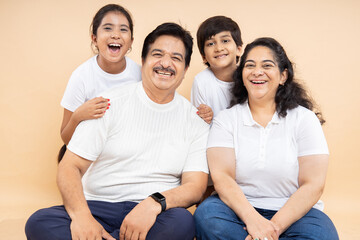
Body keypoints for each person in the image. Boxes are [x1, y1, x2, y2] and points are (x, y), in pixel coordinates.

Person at [25, 23, 209, 240]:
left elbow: (195, 187)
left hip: (155, 215)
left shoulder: (195, 121)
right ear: (143, 61)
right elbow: (69, 167)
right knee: (39, 222)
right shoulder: (108, 103)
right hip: (97, 208)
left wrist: (154, 202)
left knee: (182, 222)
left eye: (176, 58)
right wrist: (83, 218)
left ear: (185, 69)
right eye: (157, 54)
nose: (166, 63)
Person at [194, 37, 339, 240]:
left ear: (283, 76)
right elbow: (222, 178)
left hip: (295, 212)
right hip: (236, 209)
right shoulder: (226, 119)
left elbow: (313, 185)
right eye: (250, 65)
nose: (257, 71)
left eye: (267, 65)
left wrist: (272, 229)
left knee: (321, 235)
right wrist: (253, 221)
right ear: (242, 75)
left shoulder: (304, 119)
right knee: (207, 217)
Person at [58, 4, 141, 162]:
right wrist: (77, 117)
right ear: (94, 38)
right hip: (92, 154)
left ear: (131, 41)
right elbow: (66, 138)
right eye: (108, 28)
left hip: (126, 156)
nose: (116, 35)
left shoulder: (140, 74)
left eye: (123, 29)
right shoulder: (81, 76)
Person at [191, 16, 242, 124]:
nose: (219, 48)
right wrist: (204, 117)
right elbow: (199, 125)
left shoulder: (248, 76)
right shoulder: (201, 81)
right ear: (204, 56)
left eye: (225, 41)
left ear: (239, 49)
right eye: (211, 43)